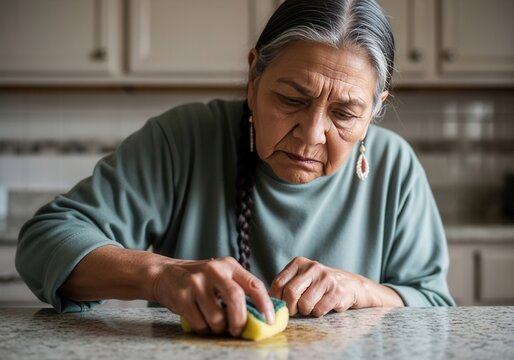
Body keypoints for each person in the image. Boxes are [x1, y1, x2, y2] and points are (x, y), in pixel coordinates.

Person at [16, 0, 454, 338]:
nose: (310, 135)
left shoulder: (395, 166)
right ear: (253, 77)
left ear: (376, 109)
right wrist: (161, 276)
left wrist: (363, 291)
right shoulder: (184, 138)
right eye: (292, 100)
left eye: (344, 113)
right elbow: (46, 240)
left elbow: (435, 307)